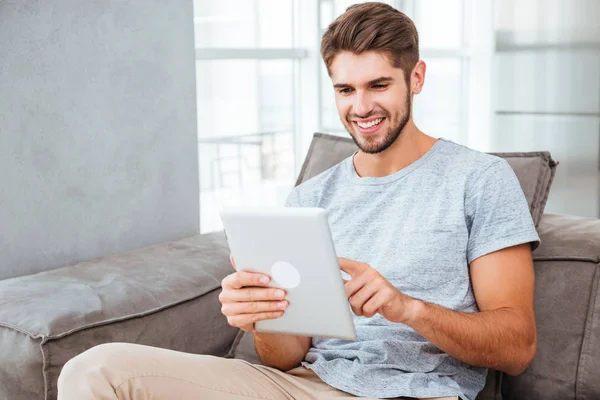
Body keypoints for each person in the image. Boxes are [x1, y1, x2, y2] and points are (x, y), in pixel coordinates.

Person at [57, 3, 539, 400]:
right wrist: (263, 316)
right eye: (345, 89)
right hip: (301, 386)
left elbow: (517, 346)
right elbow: (285, 355)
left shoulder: (479, 179)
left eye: (379, 85)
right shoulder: (311, 196)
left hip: (413, 391)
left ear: (416, 78)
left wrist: (406, 308)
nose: (361, 107)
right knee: (95, 370)